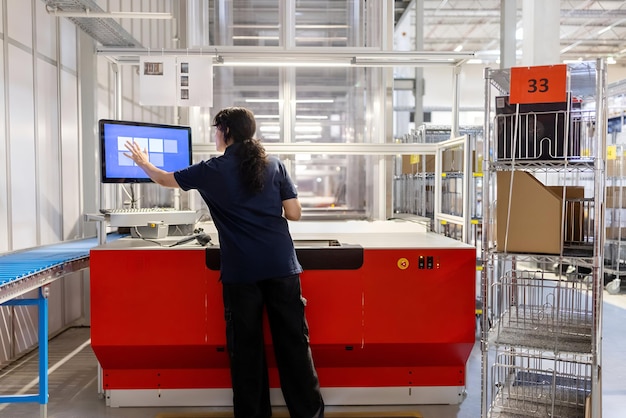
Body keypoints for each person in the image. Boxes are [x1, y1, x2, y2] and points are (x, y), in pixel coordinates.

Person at [123, 107, 324, 418]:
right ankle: (309, 414)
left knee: (246, 351)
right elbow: (294, 213)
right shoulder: (274, 164)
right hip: (281, 266)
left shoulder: (211, 170)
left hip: (242, 272)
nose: (214, 134)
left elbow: (165, 179)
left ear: (226, 131)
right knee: (294, 346)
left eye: (216, 129)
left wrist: (142, 161)